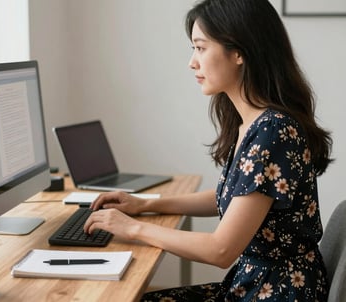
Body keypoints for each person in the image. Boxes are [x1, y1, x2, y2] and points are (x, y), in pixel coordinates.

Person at [84, 0, 333, 300]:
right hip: (256, 285)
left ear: (239, 51)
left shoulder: (273, 131)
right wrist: (143, 204)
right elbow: (229, 197)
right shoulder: (254, 123)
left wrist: (133, 228)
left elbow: (221, 250)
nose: (192, 61)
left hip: (276, 293)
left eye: (200, 48)